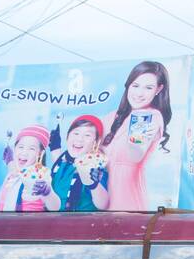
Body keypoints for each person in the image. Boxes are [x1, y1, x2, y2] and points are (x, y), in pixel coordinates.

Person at [101, 61, 172, 210]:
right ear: (128, 85)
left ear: (158, 89)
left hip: (126, 197)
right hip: (100, 195)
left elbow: (135, 156)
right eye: (135, 85)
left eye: (148, 88)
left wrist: (136, 139)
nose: (139, 93)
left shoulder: (149, 116)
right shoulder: (112, 117)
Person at [47, 115, 110, 211]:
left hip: (80, 222)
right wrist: (55, 148)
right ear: (67, 137)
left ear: (96, 143)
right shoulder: (63, 160)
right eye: (76, 133)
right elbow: (62, 173)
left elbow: (103, 204)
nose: (79, 139)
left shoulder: (95, 166)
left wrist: (94, 185)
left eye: (87, 135)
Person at [0, 125, 58, 212]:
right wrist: (10, 163)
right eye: (21, 147)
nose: (24, 152)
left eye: (31, 149)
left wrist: (48, 193)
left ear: (40, 154)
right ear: (15, 148)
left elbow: (55, 207)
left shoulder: (40, 176)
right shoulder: (11, 176)